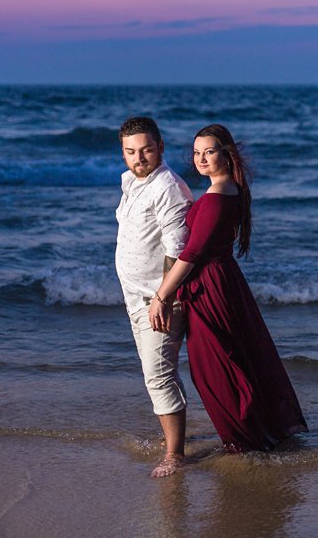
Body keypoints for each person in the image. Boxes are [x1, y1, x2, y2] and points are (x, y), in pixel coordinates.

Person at [149, 124, 308, 452]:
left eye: (209, 151)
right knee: (227, 362)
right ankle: (250, 433)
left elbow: (191, 254)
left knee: (214, 369)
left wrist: (161, 296)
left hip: (212, 288)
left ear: (226, 153)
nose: (201, 158)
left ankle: (244, 439)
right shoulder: (226, 191)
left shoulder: (218, 199)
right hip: (221, 281)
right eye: (196, 152)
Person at [115, 116, 194, 477]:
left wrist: (164, 296)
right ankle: (173, 441)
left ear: (161, 147)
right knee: (157, 374)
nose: (138, 157)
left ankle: (175, 455)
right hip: (137, 298)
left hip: (160, 299)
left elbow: (178, 250)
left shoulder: (168, 187)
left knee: (158, 375)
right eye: (130, 151)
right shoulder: (132, 181)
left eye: (146, 149)